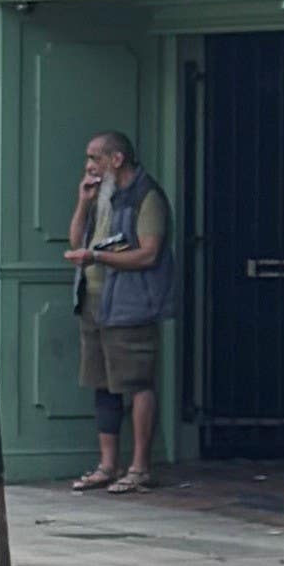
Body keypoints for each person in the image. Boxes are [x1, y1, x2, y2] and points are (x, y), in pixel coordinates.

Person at [66, 131, 179, 491]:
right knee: (103, 384)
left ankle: (140, 468)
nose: (89, 166)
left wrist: (98, 256)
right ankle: (107, 465)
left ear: (116, 160)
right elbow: (76, 241)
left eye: (95, 158)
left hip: (131, 304)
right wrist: (83, 202)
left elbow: (149, 253)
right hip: (94, 301)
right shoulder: (102, 194)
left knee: (137, 383)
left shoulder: (148, 197)